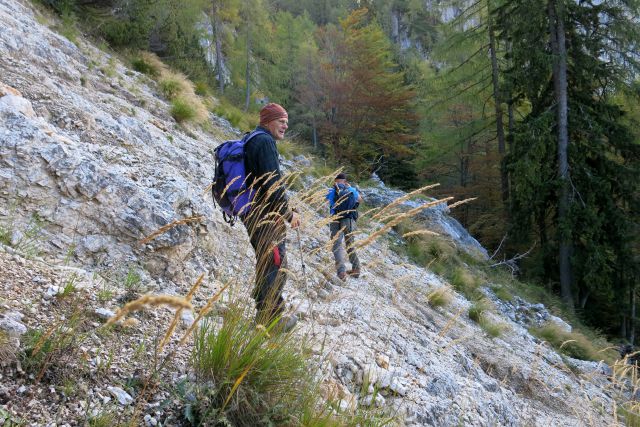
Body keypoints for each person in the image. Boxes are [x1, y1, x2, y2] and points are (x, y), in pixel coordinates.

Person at [242, 103, 300, 328]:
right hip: (265, 215)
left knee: (267, 261)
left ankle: (262, 316)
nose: (285, 125)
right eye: (281, 120)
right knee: (275, 263)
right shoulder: (265, 141)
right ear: (267, 121)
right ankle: (271, 319)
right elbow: (273, 185)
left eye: (286, 121)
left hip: (253, 213)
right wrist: (288, 214)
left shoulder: (251, 138)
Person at [326, 173, 362, 281]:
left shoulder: (332, 190)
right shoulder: (351, 189)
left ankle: (341, 271)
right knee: (350, 244)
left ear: (335, 181)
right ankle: (356, 269)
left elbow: (327, 201)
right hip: (348, 219)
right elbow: (360, 199)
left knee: (336, 244)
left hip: (335, 218)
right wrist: (350, 188)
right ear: (345, 181)